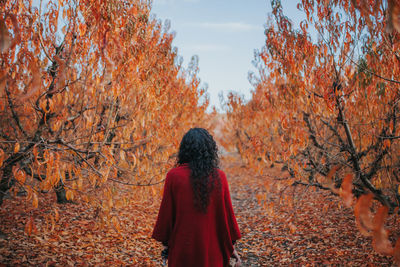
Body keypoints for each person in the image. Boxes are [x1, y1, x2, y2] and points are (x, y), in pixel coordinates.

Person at [152, 128, 242, 267]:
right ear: (210, 150)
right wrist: (231, 248)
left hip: (182, 252)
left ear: (185, 150)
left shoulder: (174, 176)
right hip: (213, 252)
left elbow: (166, 216)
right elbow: (226, 218)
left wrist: (166, 245)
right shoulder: (219, 177)